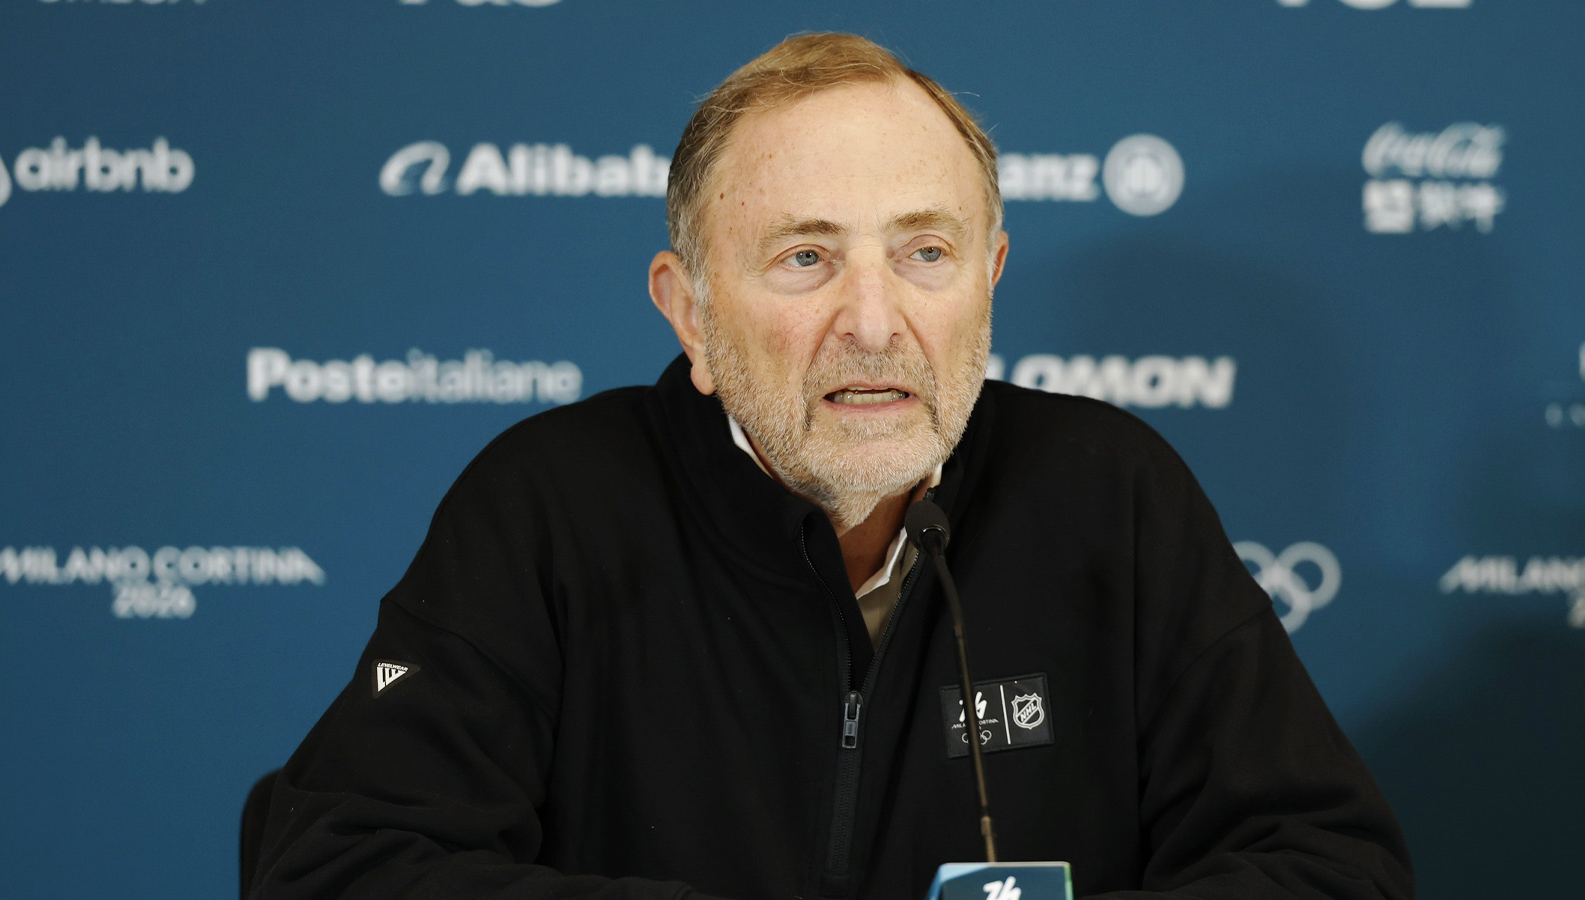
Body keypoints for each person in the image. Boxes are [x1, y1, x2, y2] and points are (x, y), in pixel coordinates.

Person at [249, 33, 1412, 900]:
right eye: (806, 257)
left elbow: (1330, 865)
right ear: (690, 314)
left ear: (989, 276)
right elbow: (338, 864)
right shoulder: (549, 504)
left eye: (924, 253)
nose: (874, 320)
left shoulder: (1110, 492)